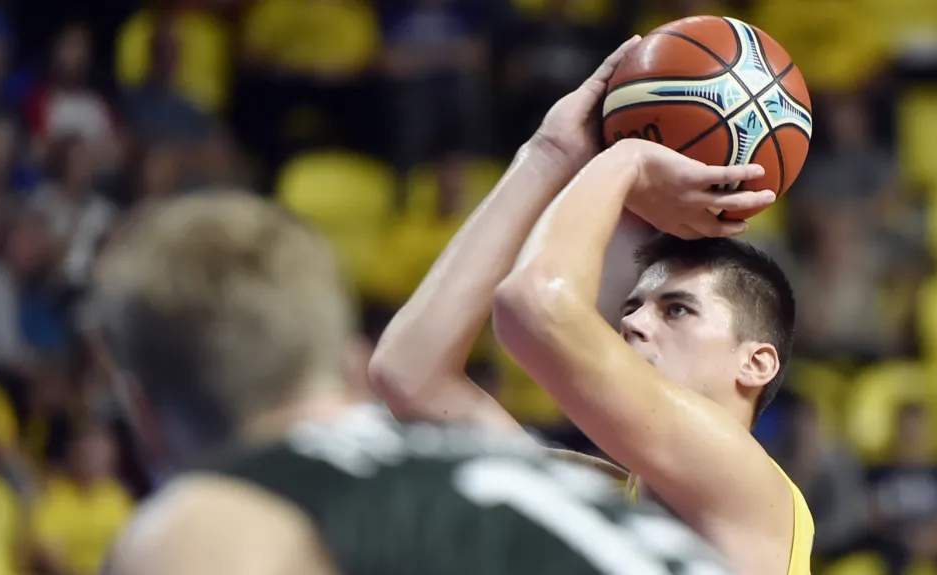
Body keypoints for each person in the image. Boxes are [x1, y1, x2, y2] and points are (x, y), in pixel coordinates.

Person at [91, 188, 734, 575]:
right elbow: (407, 372)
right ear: (349, 364)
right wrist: (556, 149)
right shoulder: (507, 471)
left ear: (144, 415)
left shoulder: (217, 517)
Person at [370, 44, 812, 575]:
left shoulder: (746, 482)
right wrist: (548, 154)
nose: (632, 322)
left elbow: (534, 306)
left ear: (756, 362)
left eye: (676, 310)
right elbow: (409, 375)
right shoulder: (597, 505)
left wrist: (626, 157)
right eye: (633, 305)